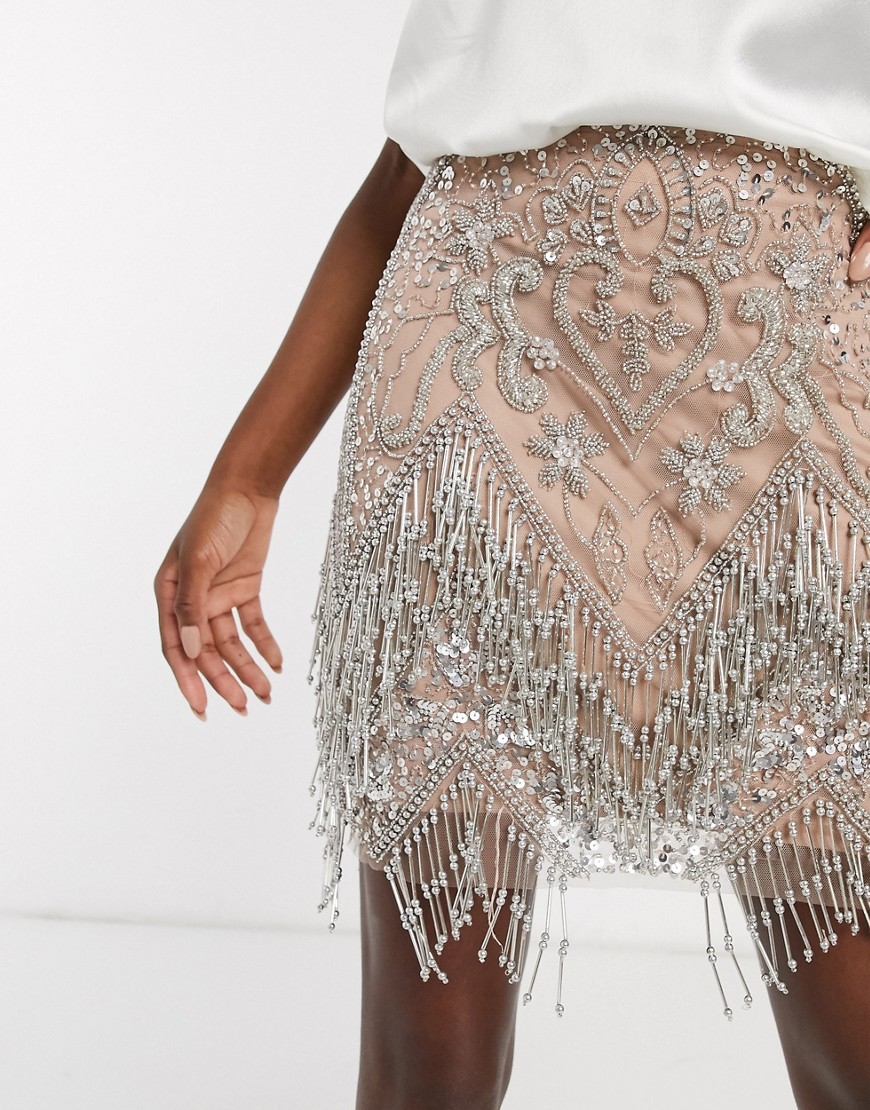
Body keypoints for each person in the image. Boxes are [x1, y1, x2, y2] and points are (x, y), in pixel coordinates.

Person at [155, 3, 870, 1106]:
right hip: (482, 374)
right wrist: (249, 474)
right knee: (430, 1067)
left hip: (783, 372)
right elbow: (412, 160)